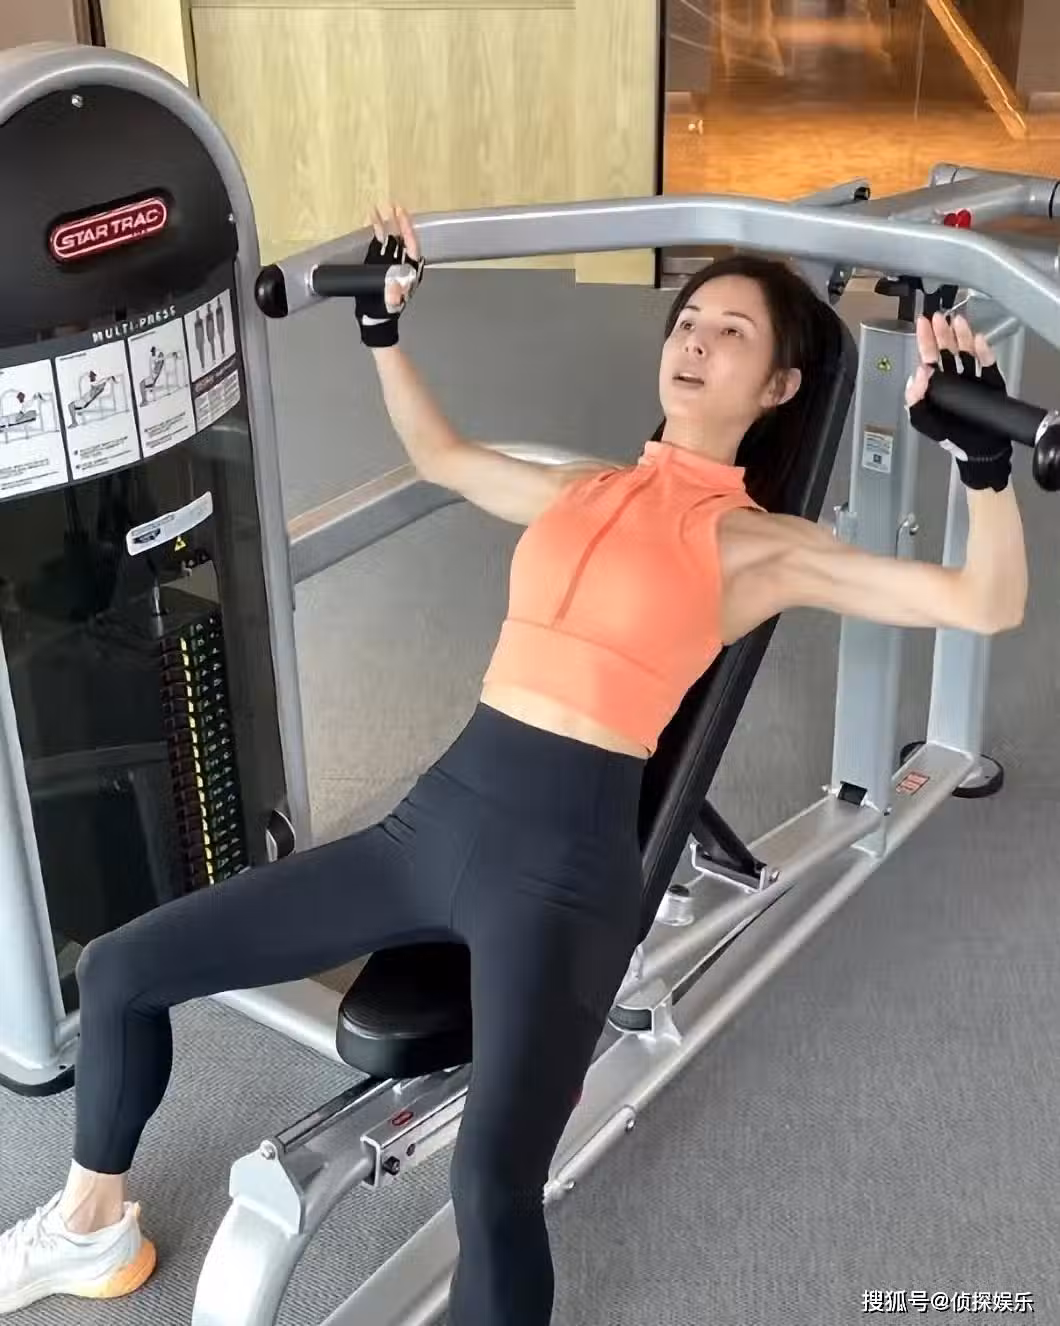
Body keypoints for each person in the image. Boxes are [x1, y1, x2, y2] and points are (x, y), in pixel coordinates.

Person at [0, 204, 1028, 1323]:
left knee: (490, 1183)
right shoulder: (584, 487)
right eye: (688, 321)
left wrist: (983, 470)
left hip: (560, 880)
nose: (694, 341)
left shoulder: (763, 546)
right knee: (122, 969)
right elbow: (441, 457)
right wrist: (383, 332)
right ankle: (92, 1226)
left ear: (779, 387)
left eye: (731, 333)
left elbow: (986, 602)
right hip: (431, 827)